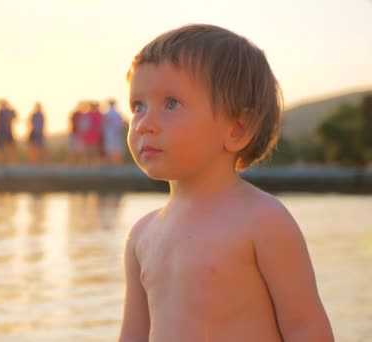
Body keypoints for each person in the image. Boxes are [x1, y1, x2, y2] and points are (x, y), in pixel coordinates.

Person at [119, 24, 333, 341]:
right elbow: (133, 335)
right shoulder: (141, 235)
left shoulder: (263, 221)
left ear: (237, 128)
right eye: (138, 106)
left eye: (171, 103)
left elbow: (306, 329)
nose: (144, 124)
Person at [102, 99, 126, 166]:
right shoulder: (117, 113)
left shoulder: (108, 113)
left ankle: (112, 164)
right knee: (116, 150)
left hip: (110, 134)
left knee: (111, 149)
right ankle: (117, 164)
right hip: (115, 134)